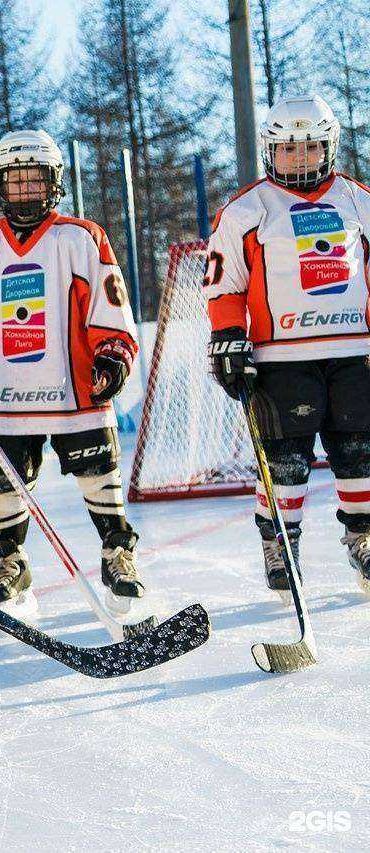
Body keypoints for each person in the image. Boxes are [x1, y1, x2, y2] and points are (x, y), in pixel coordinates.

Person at [0, 130, 144, 617]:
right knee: (7, 482)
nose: (25, 192)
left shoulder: (80, 236)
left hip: (76, 387)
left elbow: (108, 307)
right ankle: (11, 558)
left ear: (54, 183)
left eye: (35, 181)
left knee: (98, 470)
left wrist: (113, 353)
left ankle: (118, 552)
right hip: (5, 393)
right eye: (15, 182)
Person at [203, 94, 370, 599]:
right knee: (285, 461)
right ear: (271, 151)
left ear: (330, 147)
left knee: (359, 453)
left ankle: (364, 539)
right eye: (289, 149)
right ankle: (281, 543)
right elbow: (224, 284)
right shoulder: (246, 210)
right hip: (280, 357)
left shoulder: (359, 200)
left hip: (352, 351)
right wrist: (228, 338)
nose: (301, 158)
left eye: (311, 147)